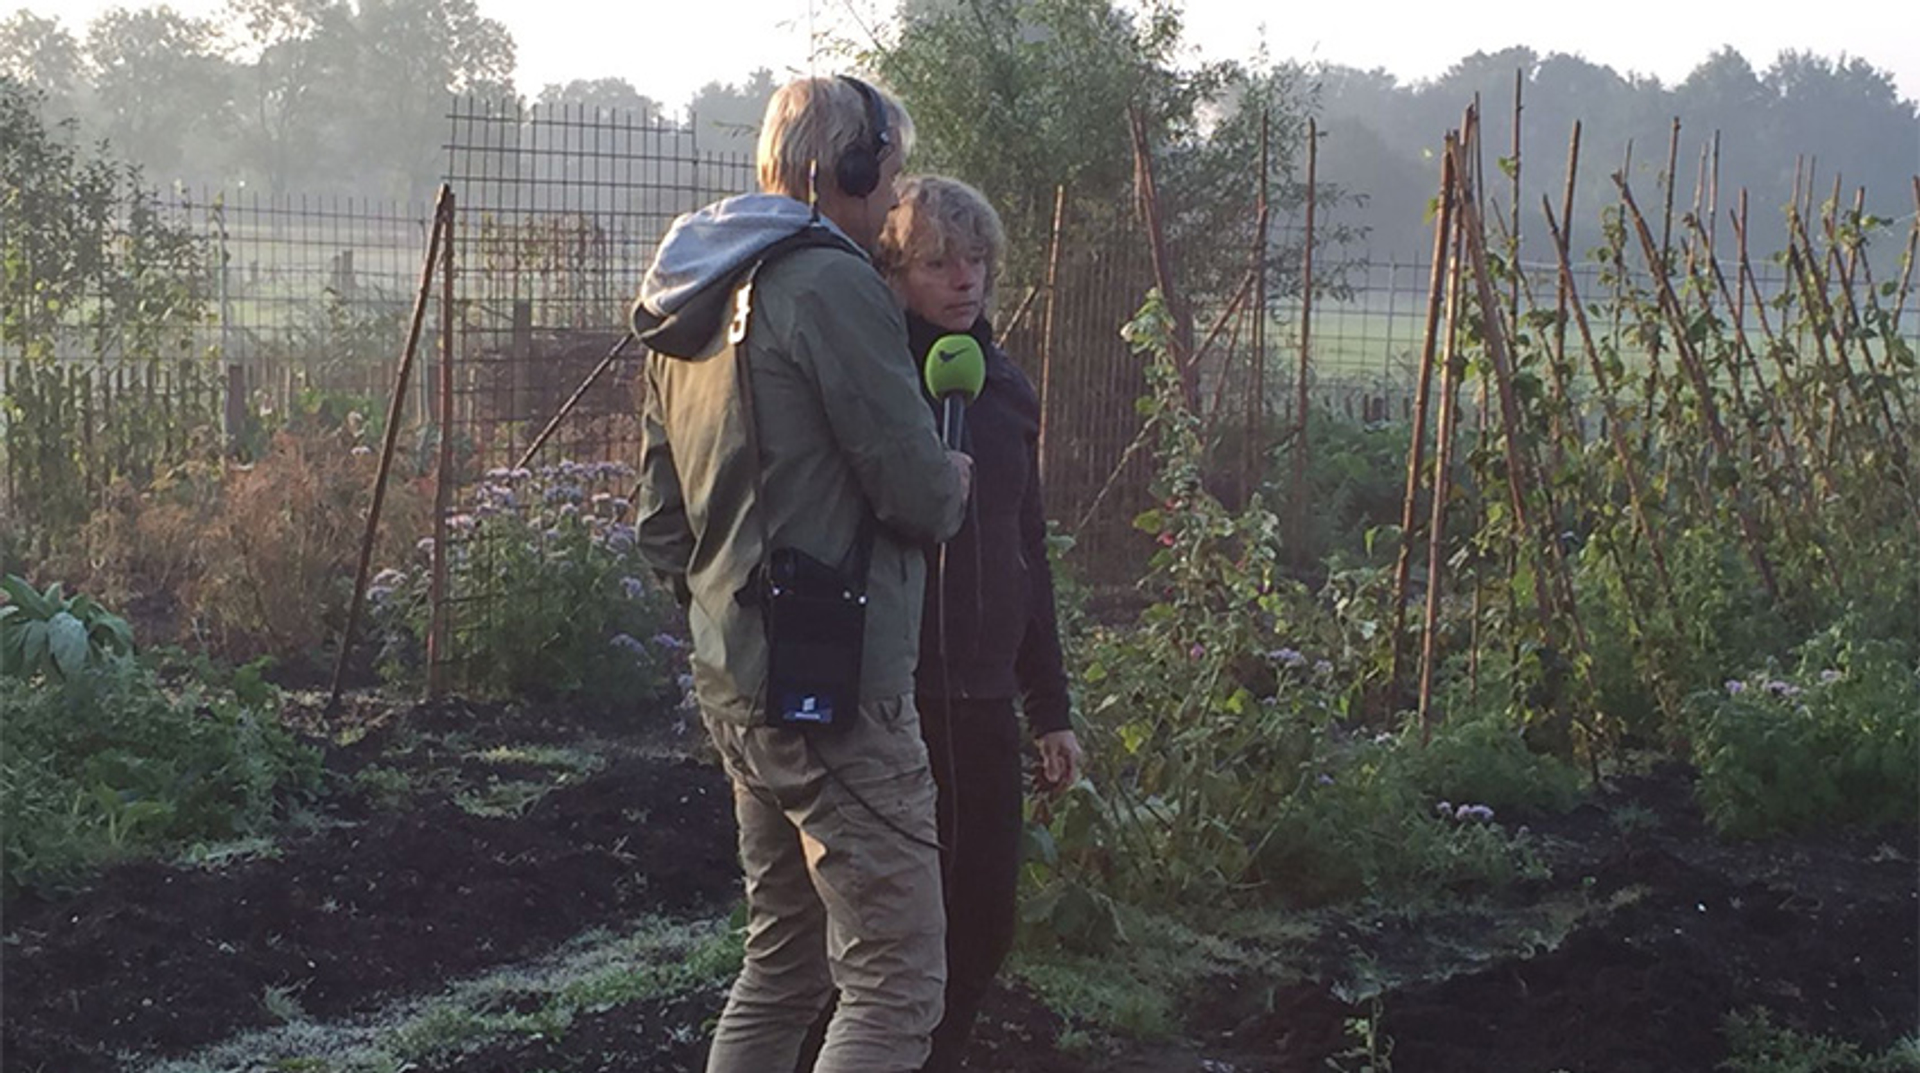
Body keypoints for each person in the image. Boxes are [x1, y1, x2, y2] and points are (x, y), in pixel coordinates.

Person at [630, 76, 972, 1073]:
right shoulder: (827, 282)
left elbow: (661, 526)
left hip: (740, 680)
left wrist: (730, 618)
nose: (895, 195)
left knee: (782, 964)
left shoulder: (689, 289)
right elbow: (914, 489)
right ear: (849, 169)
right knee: (896, 978)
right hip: (841, 690)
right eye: (889, 171)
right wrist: (951, 477)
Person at [876, 175, 1085, 1073]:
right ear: (893, 275)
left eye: (978, 261)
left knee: (986, 920)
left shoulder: (1003, 388)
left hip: (986, 696)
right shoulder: (876, 385)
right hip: (894, 697)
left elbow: (1023, 547)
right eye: (939, 262)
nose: (966, 280)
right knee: (889, 937)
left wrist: (1052, 706)